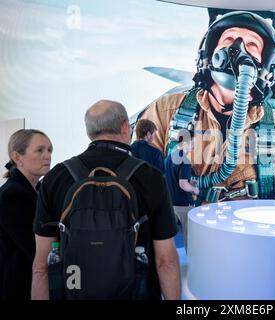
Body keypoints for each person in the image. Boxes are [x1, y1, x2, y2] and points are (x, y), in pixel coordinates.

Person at [139, 11, 275, 202]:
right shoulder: (164, 113)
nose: (237, 47)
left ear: (267, 67)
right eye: (228, 38)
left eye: (252, 44)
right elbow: (137, 184)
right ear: (209, 55)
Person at [31, 100, 181, 300]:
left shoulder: (56, 178)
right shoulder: (150, 177)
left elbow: (42, 267)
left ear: (89, 132)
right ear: (125, 126)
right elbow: (166, 261)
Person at [0, 129, 53, 300]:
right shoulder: (11, 194)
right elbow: (34, 247)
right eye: (40, 150)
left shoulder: (35, 190)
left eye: (49, 150)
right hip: (18, 286)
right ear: (17, 157)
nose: (47, 155)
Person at [164, 135, 199, 250]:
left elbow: (172, 179)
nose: (194, 147)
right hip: (183, 205)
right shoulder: (185, 161)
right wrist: (194, 189)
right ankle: (193, 264)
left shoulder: (169, 158)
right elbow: (183, 185)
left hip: (170, 203)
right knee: (190, 237)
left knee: (168, 236)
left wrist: (190, 183)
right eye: (193, 143)